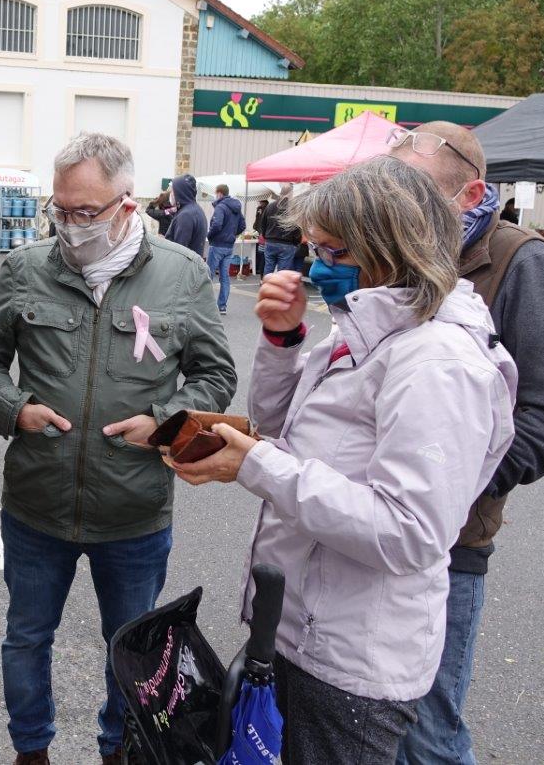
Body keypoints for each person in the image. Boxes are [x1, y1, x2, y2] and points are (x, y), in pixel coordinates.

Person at [173, 156, 518, 763]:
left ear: (391, 250)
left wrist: (254, 465)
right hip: (299, 630)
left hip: (351, 661)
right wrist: (282, 342)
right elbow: (283, 429)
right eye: (313, 249)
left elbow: (409, 532)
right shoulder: (363, 329)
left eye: (333, 252)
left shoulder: (438, 362)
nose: (315, 267)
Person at [0, 133, 236, 765]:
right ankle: (31, 751)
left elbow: (215, 377)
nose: (71, 226)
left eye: (87, 212)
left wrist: (162, 422)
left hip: (134, 510)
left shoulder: (182, 274)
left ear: (127, 203)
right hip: (36, 503)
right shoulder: (28, 267)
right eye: (61, 210)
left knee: (128, 646)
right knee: (27, 638)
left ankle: (119, 750)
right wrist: (14, 407)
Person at [387, 122, 544, 764]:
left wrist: (448, 481)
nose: (397, 208)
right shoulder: (397, 252)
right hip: (368, 537)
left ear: (470, 191)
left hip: (449, 548)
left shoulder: (520, 261)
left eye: (412, 190)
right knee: (368, 724)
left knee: (427, 735)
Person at [206, 184, 246, 315]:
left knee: (208, 276)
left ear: (220, 193)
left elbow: (217, 224)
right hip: (229, 246)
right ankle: (222, 306)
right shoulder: (236, 208)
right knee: (225, 277)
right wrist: (232, 234)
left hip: (217, 244)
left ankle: (206, 306)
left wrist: (210, 235)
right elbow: (242, 225)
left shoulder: (221, 207)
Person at [260, 185, 301, 275]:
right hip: (286, 243)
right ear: (291, 193)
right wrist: (296, 242)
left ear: (280, 193)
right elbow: (297, 228)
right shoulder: (293, 208)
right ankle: (279, 287)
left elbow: (262, 224)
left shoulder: (270, 206)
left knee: (268, 268)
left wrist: (266, 236)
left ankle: (266, 286)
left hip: (270, 241)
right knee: (282, 272)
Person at [162, 173, 205, 257]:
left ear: (180, 192)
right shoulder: (194, 210)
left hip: (183, 268)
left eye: (173, 190)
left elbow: (179, 250)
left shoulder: (186, 215)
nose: (171, 193)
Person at [253, 197, 269, 276]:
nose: (259, 203)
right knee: (262, 255)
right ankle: (259, 270)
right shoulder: (262, 208)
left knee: (261, 254)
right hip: (263, 234)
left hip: (262, 234)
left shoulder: (264, 209)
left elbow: (259, 222)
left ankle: (259, 270)